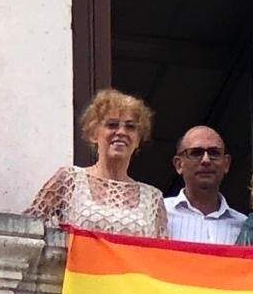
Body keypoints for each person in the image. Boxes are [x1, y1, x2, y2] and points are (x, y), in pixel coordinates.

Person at [24, 88, 167, 236]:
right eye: (112, 125)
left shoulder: (153, 199)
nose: (121, 132)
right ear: (93, 134)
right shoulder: (69, 179)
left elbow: (160, 254)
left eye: (130, 127)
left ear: (138, 140)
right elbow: (28, 230)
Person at [164, 126, 246, 244]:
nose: (206, 160)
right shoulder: (159, 215)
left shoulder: (244, 227)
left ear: (226, 164)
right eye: (196, 153)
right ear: (179, 164)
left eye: (214, 153)